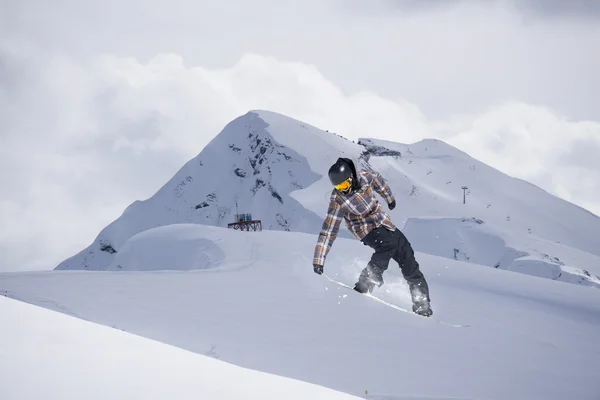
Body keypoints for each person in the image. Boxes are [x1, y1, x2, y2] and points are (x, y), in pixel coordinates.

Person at [312, 157, 433, 317]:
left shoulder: (365, 177)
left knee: (407, 254)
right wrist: (319, 260)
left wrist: (390, 199)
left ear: (351, 178)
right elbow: (329, 230)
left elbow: (379, 183)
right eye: (338, 187)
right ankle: (366, 281)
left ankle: (421, 304)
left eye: (345, 185)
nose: (343, 190)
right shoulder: (338, 199)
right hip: (363, 228)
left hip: (383, 222)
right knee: (387, 245)